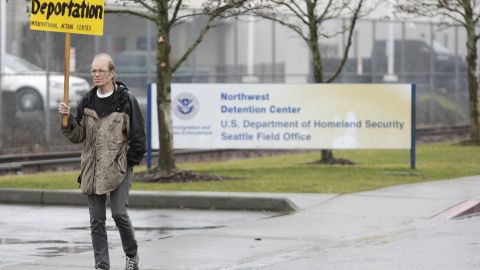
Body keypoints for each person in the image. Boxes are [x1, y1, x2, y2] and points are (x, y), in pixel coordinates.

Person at [58, 53, 146, 270]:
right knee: (96, 221)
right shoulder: (86, 100)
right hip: (93, 168)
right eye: (94, 71)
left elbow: (138, 137)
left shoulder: (126, 100)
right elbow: (79, 136)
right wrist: (67, 120)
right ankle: (101, 265)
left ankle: (131, 255)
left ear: (112, 73)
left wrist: (128, 162)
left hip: (119, 168)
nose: (96, 75)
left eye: (101, 71)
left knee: (119, 214)